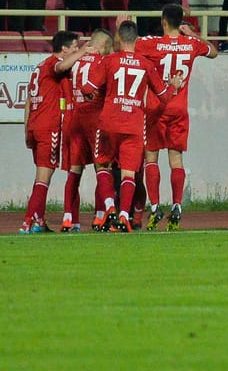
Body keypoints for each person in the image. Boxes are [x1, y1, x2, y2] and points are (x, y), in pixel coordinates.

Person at [77, 20, 182, 233]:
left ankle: (110, 208)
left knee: (103, 166)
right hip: (134, 125)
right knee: (128, 174)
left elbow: (87, 87)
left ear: (118, 38)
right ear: (136, 39)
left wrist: (93, 92)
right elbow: (163, 97)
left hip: (108, 122)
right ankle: (124, 216)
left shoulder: (109, 61)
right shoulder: (145, 64)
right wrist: (174, 86)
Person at [134, 4, 218, 232]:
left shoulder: (151, 43)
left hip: (156, 107)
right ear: (180, 22)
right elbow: (213, 52)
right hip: (179, 109)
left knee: (151, 158)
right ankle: (178, 205)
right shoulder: (191, 44)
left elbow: (127, 45)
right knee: (176, 160)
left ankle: (155, 206)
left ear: (163, 22)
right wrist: (193, 35)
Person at [18, 31, 81, 233]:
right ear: (64, 49)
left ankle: (39, 221)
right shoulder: (54, 64)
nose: (76, 50)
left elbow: (28, 102)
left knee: (42, 176)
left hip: (35, 126)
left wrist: (27, 129)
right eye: (74, 47)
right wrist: (86, 52)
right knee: (43, 178)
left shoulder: (39, 67)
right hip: (48, 127)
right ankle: (28, 222)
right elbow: (62, 65)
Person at [60, 27, 112, 231]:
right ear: (104, 46)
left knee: (74, 171)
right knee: (103, 167)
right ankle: (101, 215)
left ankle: (68, 218)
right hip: (95, 118)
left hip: (75, 119)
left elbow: (62, 67)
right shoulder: (102, 62)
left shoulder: (76, 61)